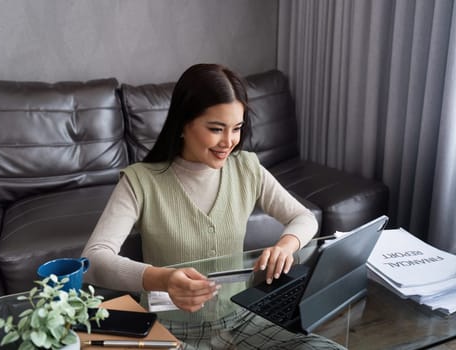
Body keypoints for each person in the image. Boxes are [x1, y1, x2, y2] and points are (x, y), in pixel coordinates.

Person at [82, 63, 346, 349]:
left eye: (237, 128)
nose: (229, 141)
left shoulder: (247, 168)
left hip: (241, 321)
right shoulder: (140, 181)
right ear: (183, 123)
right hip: (169, 329)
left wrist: (286, 245)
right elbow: (94, 259)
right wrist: (163, 278)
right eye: (216, 129)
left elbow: (303, 217)